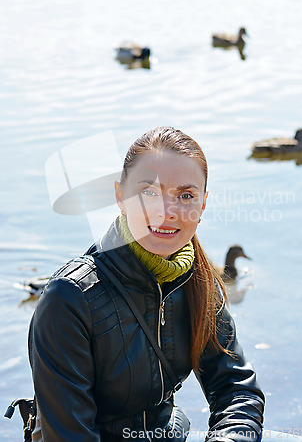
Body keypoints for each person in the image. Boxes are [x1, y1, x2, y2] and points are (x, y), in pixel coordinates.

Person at [28, 126, 265, 442]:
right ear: (120, 196)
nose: (166, 213)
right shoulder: (68, 299)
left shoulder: (200, 280)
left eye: (185, 195)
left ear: (203, 203)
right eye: (149, 193)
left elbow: (235, 388)